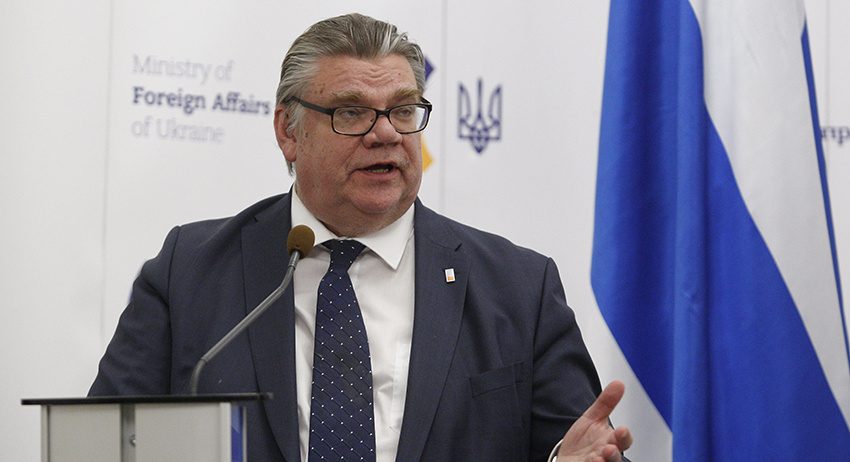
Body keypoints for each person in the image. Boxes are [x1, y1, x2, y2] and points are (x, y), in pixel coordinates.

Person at [89, 13, 633, 462]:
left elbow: (581, 448)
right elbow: (102, 446)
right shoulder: (189, 273)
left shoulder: (518, 287)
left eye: (403, 110)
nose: (386, 133)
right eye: (352, 112)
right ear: (288, 131)